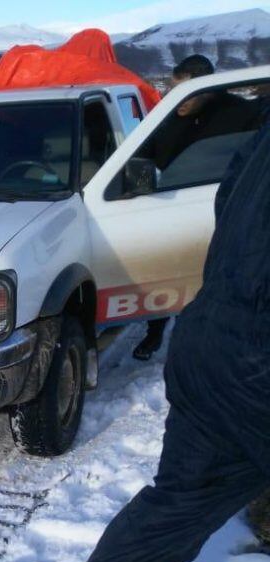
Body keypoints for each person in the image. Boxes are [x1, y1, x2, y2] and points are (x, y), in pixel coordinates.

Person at [39, 116, 270, 562]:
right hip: (257, 351)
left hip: (211, 334)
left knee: (176, 503)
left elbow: (226, 198)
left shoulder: (262, 134)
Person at [132, 54, 253, 362]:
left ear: (209, 88)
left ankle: (222, 337)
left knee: (226, 273)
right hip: (174, 207)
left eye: (185, 92)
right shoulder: (167, 118)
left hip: (230, 205)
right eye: (173, 90)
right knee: (165, 271)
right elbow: (141, 157)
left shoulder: (243, 113)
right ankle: (156, 329)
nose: (178, 100)